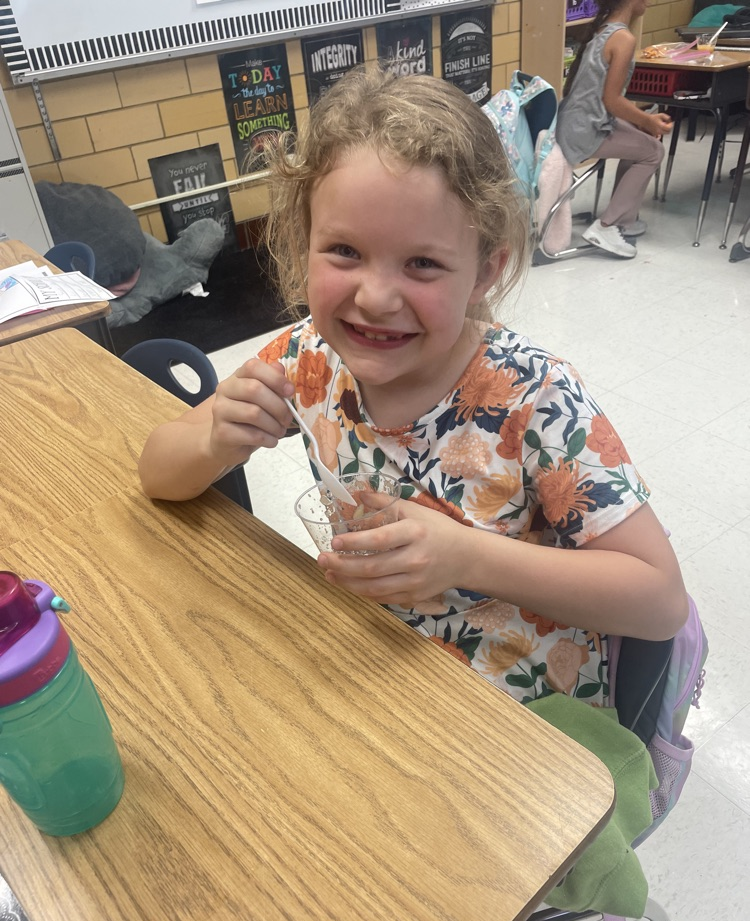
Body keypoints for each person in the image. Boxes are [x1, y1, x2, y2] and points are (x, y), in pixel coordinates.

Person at [138, 67, 687, 706]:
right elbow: (156, 470)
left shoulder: (536, 396)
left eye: (422, 263)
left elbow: (660, 601)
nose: (374, 299)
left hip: (523, 717)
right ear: (302, 243)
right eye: (343, 250)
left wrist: (470, 559)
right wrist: (212, 442)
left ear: (485, 271)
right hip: (375, 669)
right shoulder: (307, 362)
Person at [556, 0, 673, 259]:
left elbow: (607, 100)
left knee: (641, 140)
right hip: (584, 130)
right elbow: (612, 101)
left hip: (576, 122)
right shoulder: (623, 39)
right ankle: (608, 226)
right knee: (653, 152)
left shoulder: (605, 29)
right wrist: (649, 121)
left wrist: (643, 122)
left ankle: (624, 220)